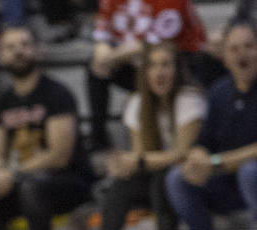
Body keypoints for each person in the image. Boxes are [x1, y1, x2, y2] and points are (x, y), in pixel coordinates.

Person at [0, 26, 95, 230]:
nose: (18, 51)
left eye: (24, 45)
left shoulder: (57, 94)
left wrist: (10, 175)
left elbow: (58, 156)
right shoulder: (3, 103)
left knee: (31, 188)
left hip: (68, 181)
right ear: (1, 56)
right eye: (10, 48)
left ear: (37, 51)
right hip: (22, 179)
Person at [89, 42, 205, 230]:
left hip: (189, 179)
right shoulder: (137, 102)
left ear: (177, 70)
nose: (159, 72)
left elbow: (182, 154)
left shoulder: (190, 99)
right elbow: (139, 156)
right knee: (120, 186)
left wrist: (138, 161)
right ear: (145, 72)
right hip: (153, 177)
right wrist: (122, 165)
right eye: (152, 66)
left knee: (164, 179)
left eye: (166, 65)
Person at [165, 19, 257, 230]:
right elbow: (204, 139)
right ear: (224, 57)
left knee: (250, 172)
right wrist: (197, 157)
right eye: (234, 49)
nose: (242, 55)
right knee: (177, 178)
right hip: (227, 184)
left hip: (251, 178)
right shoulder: (219, 92)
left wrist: (217, 162)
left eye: (249, 46)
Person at [87, 0, 207, 151]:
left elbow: (159, 42)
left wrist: (113, 56)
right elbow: (102, 32)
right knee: (96, 67)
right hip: (134, 62)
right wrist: (102, 49)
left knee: (159, 62)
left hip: (180, 60)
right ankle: (99, 140)